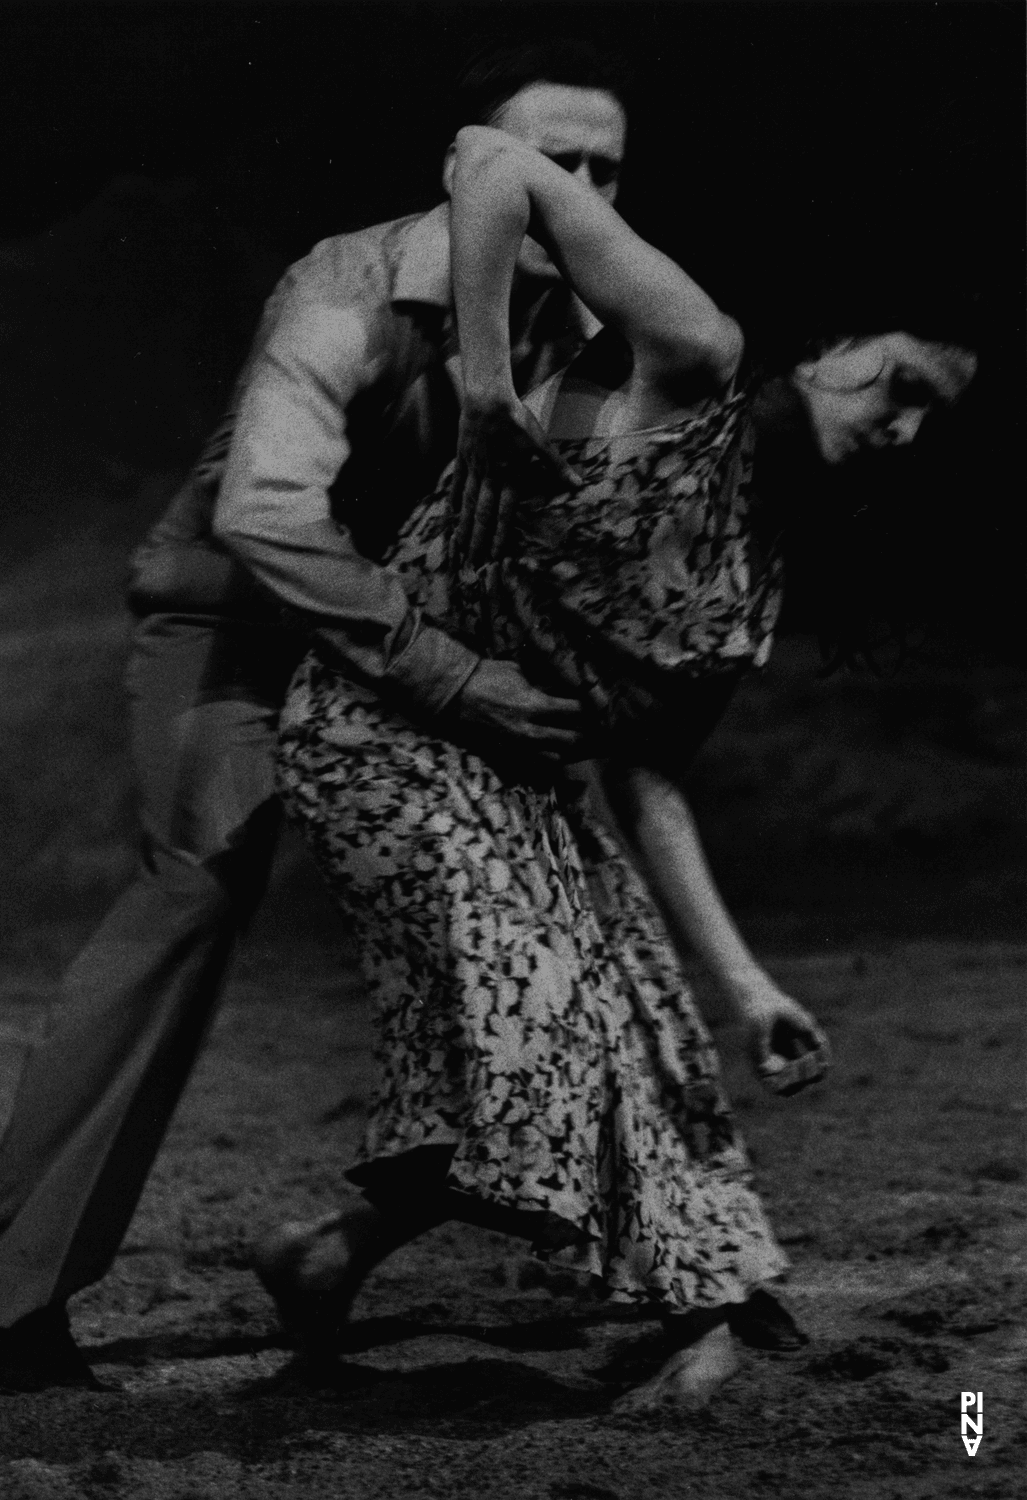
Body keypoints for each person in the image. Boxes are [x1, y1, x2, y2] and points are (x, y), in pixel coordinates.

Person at [250, 125, 977, 1407]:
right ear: (831, 349)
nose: (905, 428)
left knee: (645, 1032)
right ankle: (688, 1319)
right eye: (899, 385)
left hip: (522, 778)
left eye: (932, 421)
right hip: (384, 730)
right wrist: (485, 384)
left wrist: (747, 990)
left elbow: (647, 779)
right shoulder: (694, 362)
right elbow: (491, 160)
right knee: (538, 1012)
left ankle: (327, 1254)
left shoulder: (751, 587)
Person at [0, 42, 634, 1394]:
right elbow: (264, 515)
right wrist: (453, 677)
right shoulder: (348, 285)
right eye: (552, 162)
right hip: (238, 625)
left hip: (406, 644)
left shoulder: (584, 332)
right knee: (198, 887)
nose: (583, 189)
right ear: (472, 173)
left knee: (554, 888)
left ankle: (399, 1242)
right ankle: (10, 1307)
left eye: (609, 169)